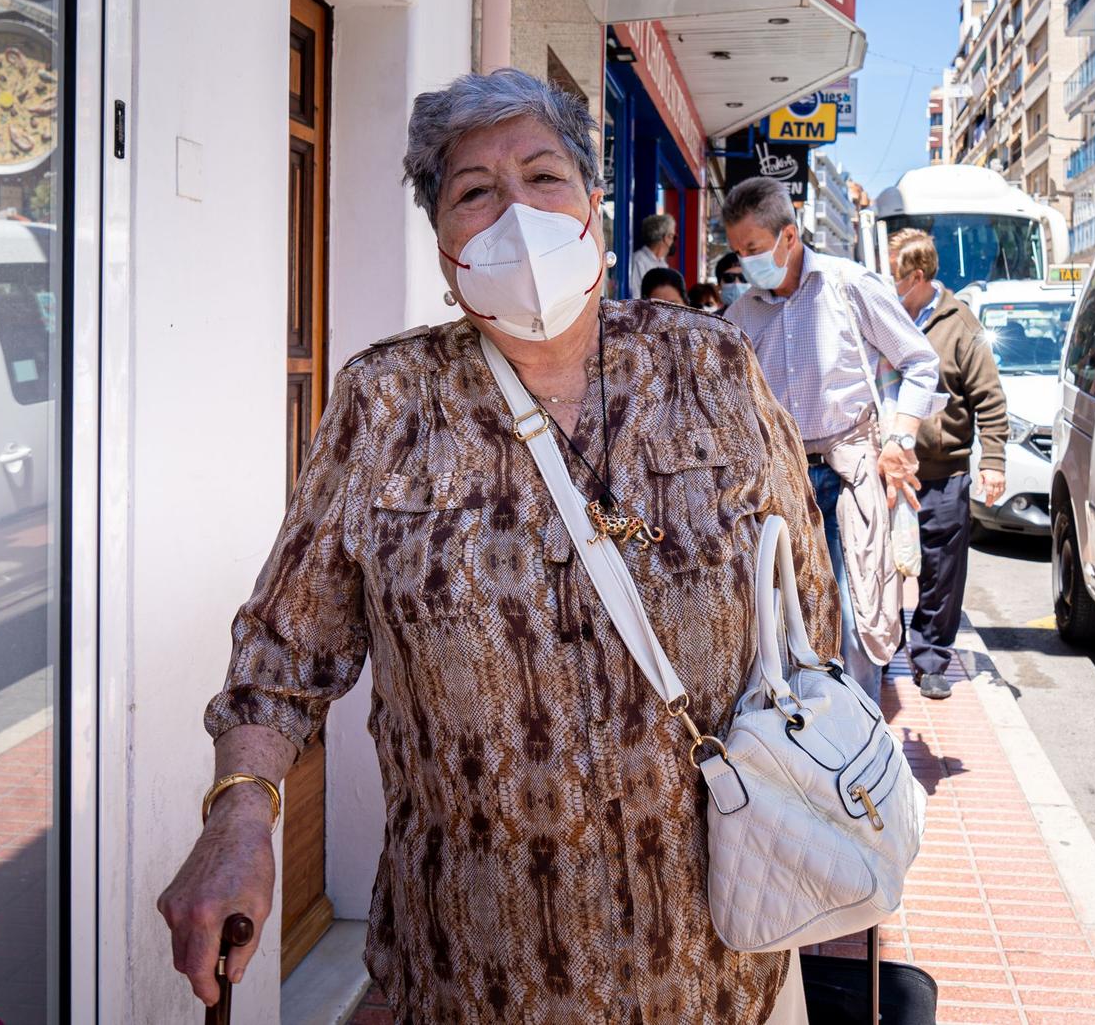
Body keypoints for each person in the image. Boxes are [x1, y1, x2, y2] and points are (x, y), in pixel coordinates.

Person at [158, 70, 834, 1025]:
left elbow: (809, 612)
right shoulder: (386, 400)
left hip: (713, 970)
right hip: (469, 978)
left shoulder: (712, 366)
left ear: (596, 210)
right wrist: (239, 812)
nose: (517, 211)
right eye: (475, 191)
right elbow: (282, 653)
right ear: (445, 252)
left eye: (544, 176)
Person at [721, 176, 943, 701]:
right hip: (779, 484)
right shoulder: (742, 314)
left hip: (851, 472)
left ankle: (862, 743)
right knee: (781, 621)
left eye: (753, 249)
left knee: (855, 614)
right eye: (737, 251)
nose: (745, 262)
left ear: (789, 238)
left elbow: (919, 362)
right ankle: (807, 744)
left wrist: (900, 439)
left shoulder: (850, 285)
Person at [888, 229, 1007, 699]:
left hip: (943, 471)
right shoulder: (886, 315)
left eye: (894, 274)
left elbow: (990, 398)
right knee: (879, 565)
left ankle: (931, 657)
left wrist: (992, 461)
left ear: (917, 276)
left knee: (941, 572)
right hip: (889, 470)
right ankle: (881, 649)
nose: (888, 282)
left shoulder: (961, 325)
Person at [631, 212, 676, 285]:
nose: (673, 241)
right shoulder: (638, 261)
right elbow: (635, 294)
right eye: (673, 237)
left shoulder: (663, 264)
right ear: (666, 237)